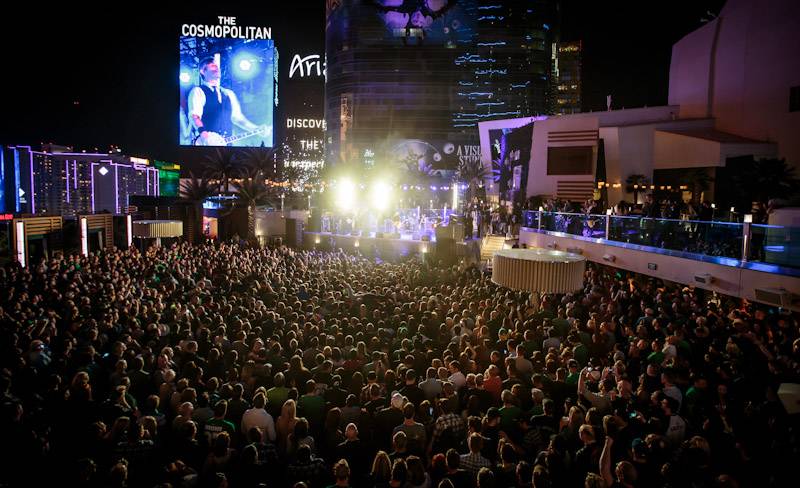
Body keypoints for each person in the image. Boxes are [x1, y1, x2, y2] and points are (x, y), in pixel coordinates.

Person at [187, 57, 270, 146]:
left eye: (217, 67)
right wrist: (204, 135)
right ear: (203, 71)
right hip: (206, 144)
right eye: (213, 66)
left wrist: (256, 129)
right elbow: (194, 116)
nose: (217, 69)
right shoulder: (198, 91)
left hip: (227, 145)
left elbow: (238, 118)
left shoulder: (229, 94)